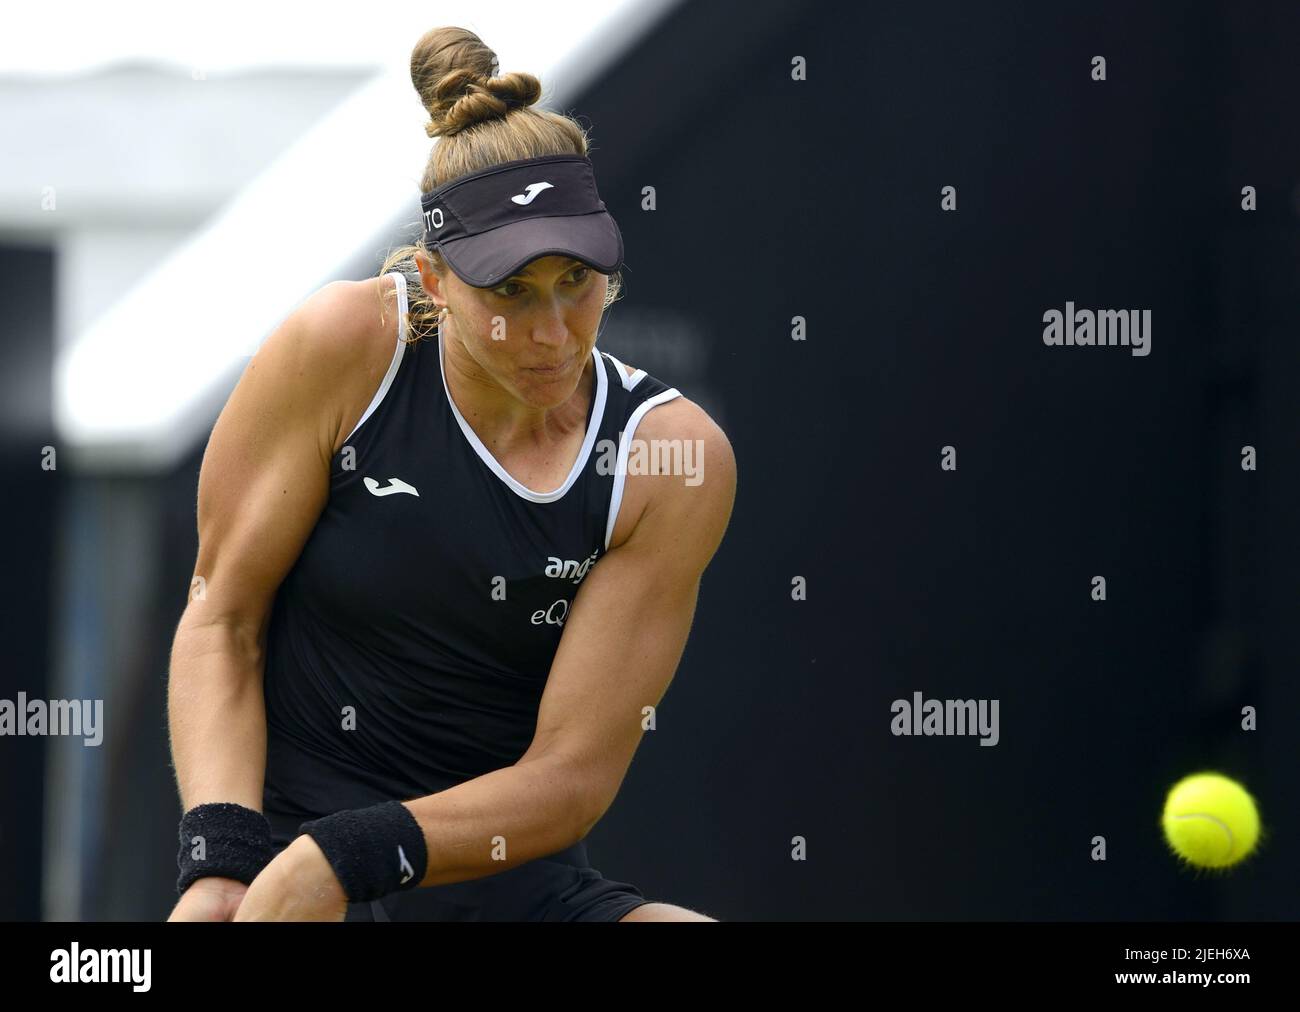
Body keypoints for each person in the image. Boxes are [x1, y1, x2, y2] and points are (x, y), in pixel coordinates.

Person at [165, 25, 735, 922]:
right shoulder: (342, 347)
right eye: (510, 290)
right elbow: (223, 617)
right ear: (434, 278)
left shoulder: (672, 459)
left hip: (498, 884)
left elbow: (569, 777)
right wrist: (222, 859)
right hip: (278, 866)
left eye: (575, 280)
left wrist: (347, 854)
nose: (551, 331)